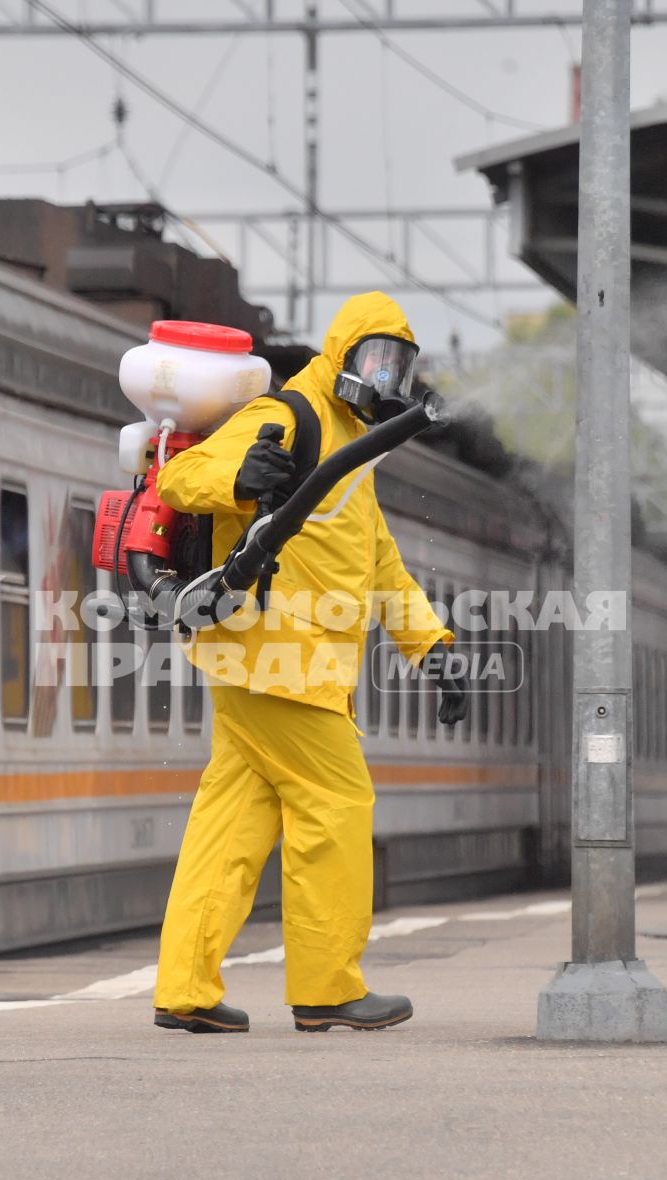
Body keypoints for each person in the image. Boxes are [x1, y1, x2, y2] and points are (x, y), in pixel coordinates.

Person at [149, 292, 468, 1034]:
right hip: (282, 665)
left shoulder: (355, 449)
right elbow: (177, 482)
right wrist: (239, 477)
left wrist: (434, 650)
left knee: (229, 827)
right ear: (343, 355)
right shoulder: (289, 417)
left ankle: (185, 989)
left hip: (265, 669)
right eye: (376, 358)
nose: (386, 376)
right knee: (337, 806)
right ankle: (327, 987)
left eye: (400, 364)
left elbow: (379, 563)